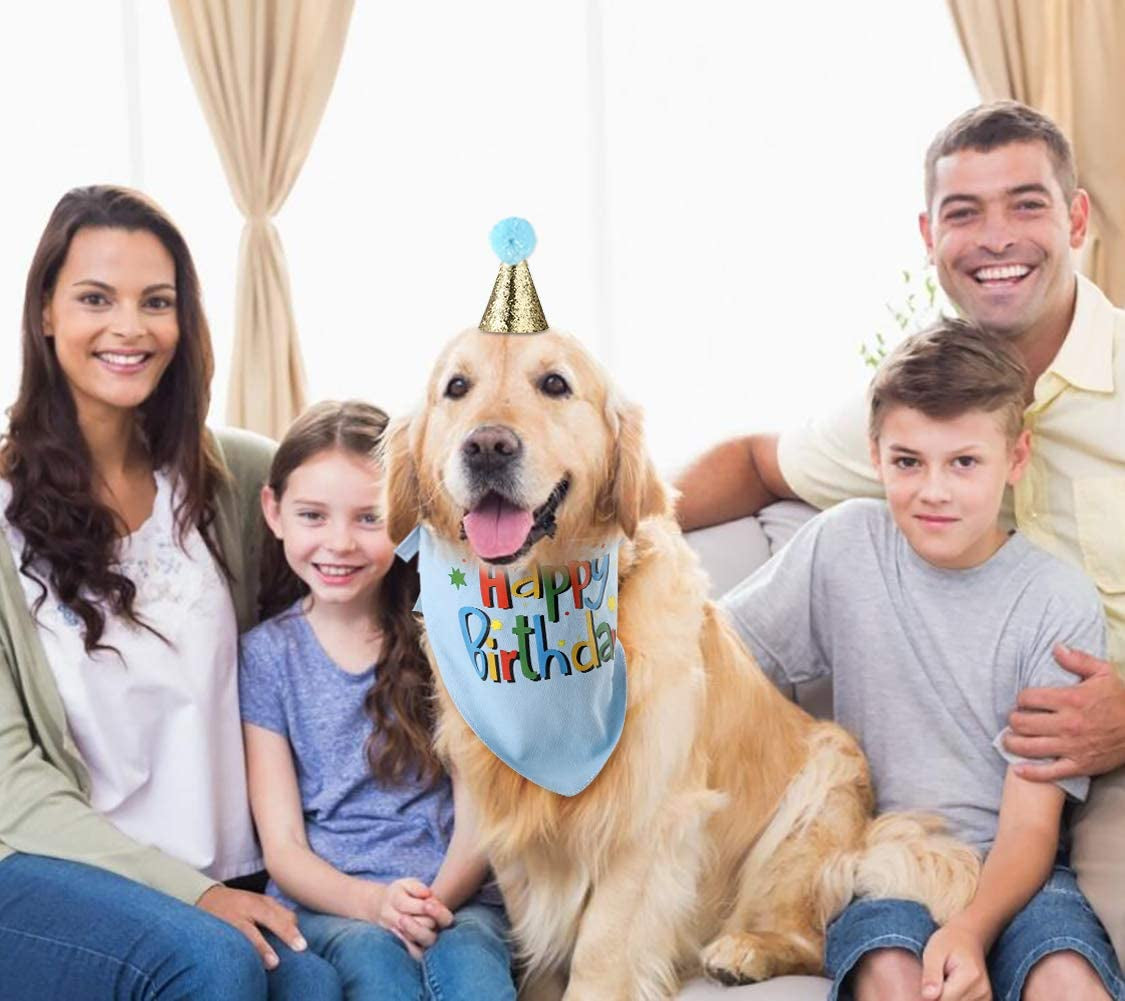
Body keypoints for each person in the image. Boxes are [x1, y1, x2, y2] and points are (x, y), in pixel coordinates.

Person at [676, 100, 1125, 963]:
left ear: (1075, 219)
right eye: (964, 212)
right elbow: (757, 462)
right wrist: (597, 527)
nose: (995, 237)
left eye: (1025, 204)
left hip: (1096, 790)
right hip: (935, 820)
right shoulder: (918, 402)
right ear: (929, 237)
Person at [0, 186, 342, 999]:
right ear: (45, 311)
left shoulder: (237, 479)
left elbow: (376, 536)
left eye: (156, 302)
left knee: (314, 985)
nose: (130, 327)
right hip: (49, 864)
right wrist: (193, 896)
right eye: (95, 298)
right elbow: (10, 783)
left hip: (223, 867)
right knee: (213, 963)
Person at [721, 320, 1124, 1001]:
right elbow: (717, 657)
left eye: (963, 463)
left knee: (1067, 979)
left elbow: (1030, 827)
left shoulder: (1056, 602)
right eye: (908, 462)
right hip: (879, 867)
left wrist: (969, 929)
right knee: (892, 973)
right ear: (875, 456)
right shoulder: (843, 545)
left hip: (1013, 872)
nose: (934, 490)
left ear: (1015, 459)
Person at [239, 399, 517, 1001]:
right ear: (274, 512)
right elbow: (283, 848)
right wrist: (373, 903)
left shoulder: (449, 634)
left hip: (454, 893)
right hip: (332, 902)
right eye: (312, 516)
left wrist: (428, 905)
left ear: (405, 517)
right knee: (374, 967)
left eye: (369, 518)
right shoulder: (266, 657)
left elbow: (479, 820)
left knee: (472, 970)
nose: (339, 543)